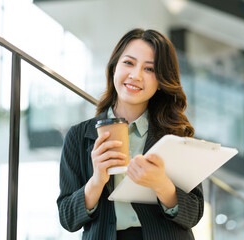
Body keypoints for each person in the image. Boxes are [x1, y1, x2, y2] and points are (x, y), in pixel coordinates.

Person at [57, 28, 204, 240]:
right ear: (113, 67)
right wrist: (97, 180)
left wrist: (161, 184)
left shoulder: (174, 136)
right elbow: (67, 218)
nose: (135, 75)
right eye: (128, 63)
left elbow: (194, 213)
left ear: (161, 81)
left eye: (150, 69)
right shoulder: (79, 136)